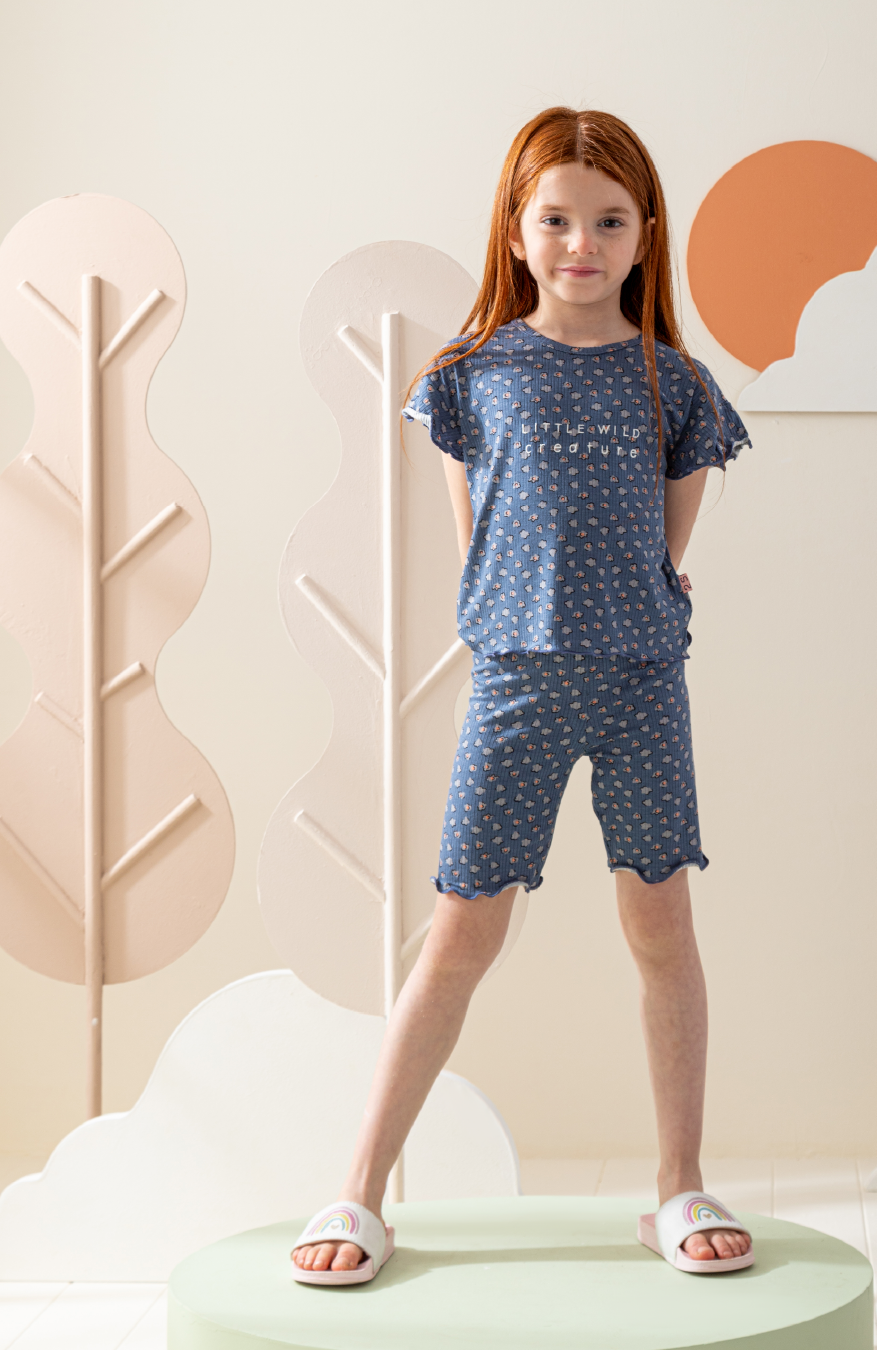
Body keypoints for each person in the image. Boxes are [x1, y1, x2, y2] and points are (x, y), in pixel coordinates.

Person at [291, 106, 754, 1285]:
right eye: (556, 220)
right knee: (460, 936)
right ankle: (358, 1190)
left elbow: (666, 552)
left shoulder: (677, 385)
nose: (581, 244)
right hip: (515, 686)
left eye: (609, 221)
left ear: (645, 234)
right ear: (516, 228)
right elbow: (479, 548)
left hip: (643, 685)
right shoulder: (471, 376)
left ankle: (678, 1183)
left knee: (663, 927)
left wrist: (624, 608)